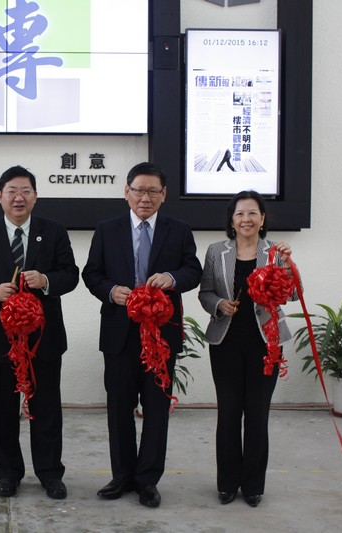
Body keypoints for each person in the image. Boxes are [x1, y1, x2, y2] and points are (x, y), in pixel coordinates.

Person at [82, 162, 201, 508]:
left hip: (161, 334)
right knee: (119, 408)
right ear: (126, 192)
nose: (144, 197)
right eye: (138, 190)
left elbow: (192, 270)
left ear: (163, 195)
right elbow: (92, 274)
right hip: (119, 332)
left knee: (156, 408)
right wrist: (111, 291)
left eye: (152, 191)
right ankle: (122, 476)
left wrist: (172, 278)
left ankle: (148, 480)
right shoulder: (107, 229)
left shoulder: (179, 230)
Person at [0, 165, 79, 500]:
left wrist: (47, 280)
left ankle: (50, 473)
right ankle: (8, 473)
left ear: (35, 196)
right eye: (11, 191)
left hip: (44, 336)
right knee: (2, 409)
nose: (18, 197)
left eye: (26, 190)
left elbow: (71, 274)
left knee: (46, 408)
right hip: (1, 339)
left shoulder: (53, 231)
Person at [198, 190, 295, 508]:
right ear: (231, 219)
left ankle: (253, 486)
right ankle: (226, 484)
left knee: (257, 415)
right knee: (228, 414)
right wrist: (219, 305)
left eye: (253, 213)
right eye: (240, 213)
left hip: (266, 344)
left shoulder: (276, 253)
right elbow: (205, 292)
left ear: (263, 219)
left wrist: (290, 264)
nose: (246, 219)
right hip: (225, 343)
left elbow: (293, 294)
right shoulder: (216, 251)